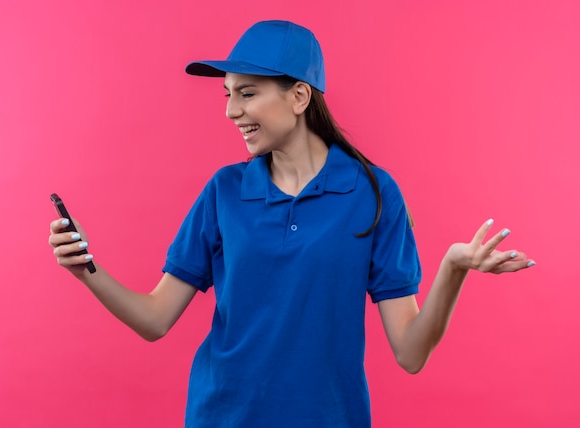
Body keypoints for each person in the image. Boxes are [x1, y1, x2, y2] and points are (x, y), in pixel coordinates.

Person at [48, 20, 535, 428]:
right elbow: (154, 320)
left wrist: (452, 268)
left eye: (248, 93)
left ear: (299, 96)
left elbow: (410, 353)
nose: (230, 110)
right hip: (221, 416)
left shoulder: (372, 192)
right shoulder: (224, 191)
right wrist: (85, 269)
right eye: (227, 93)